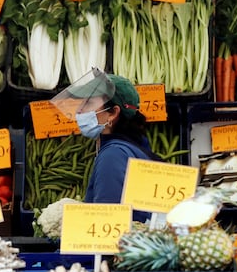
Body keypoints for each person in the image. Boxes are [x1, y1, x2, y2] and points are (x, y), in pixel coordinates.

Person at [50, 68, 161, 222]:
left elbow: (106, 223)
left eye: (88, 103)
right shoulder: (133, 147)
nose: (80, 110)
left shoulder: (113, 156)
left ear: (113, 113)